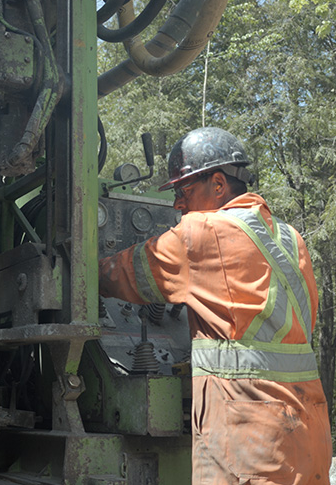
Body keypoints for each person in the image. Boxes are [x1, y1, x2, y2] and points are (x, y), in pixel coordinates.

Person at [99, 127, 332, 485]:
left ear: (219, 184)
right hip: (309, 433)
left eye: (183, 189)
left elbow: (122, 275)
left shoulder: (200, 233)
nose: (178, 203)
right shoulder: (291, 238)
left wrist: (78, 264)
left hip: (249, 442)